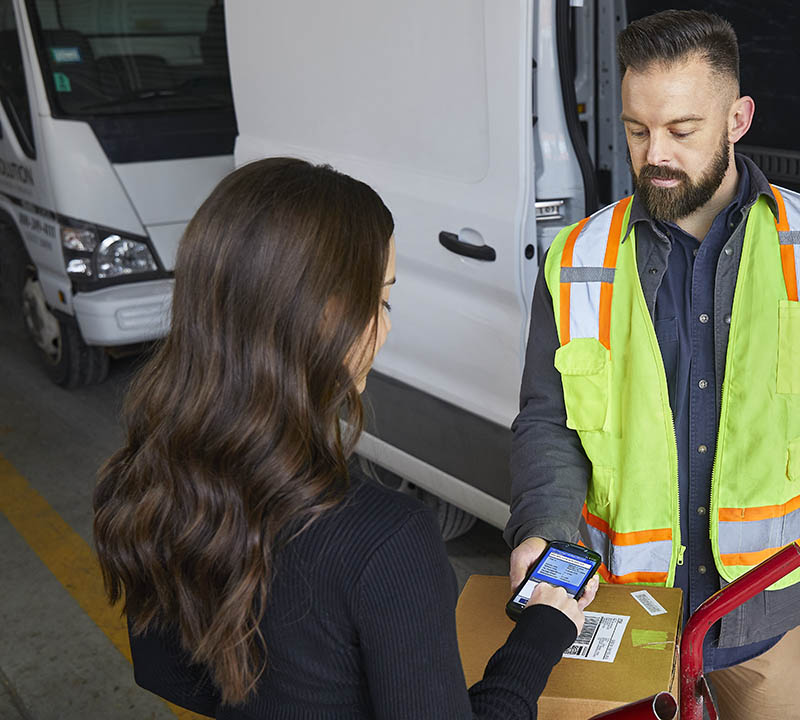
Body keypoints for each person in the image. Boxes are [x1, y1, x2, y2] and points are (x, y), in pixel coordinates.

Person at [505, 10, 800, 719]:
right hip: (622, 603)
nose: (654, 152)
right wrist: (542, 533)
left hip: (766, 614)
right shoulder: (577, 261)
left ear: (737, 119)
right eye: (636, 129)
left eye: (682, 131)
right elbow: (548, 421)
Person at [92, 158, 594, 719]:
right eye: (380, 300)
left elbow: (170, 677)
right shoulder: (386, 541)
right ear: (326, 317)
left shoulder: (146, 477)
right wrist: (543, 633)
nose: (385, 328)